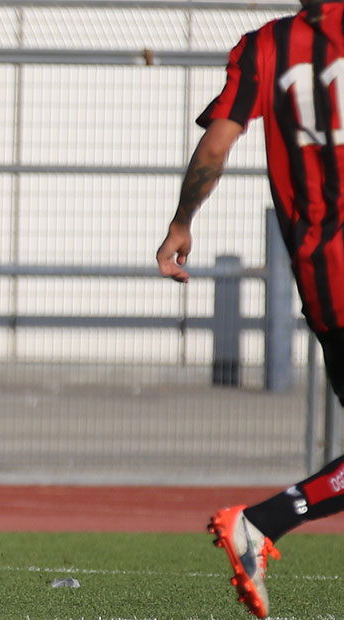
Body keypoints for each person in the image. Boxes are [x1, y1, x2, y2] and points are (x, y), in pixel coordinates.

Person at [156, 0, 344, 617]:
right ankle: (261, 522)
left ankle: (262, 523)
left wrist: (182, 221)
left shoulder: (266, 47)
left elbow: (216, 146)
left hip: (322, 278)